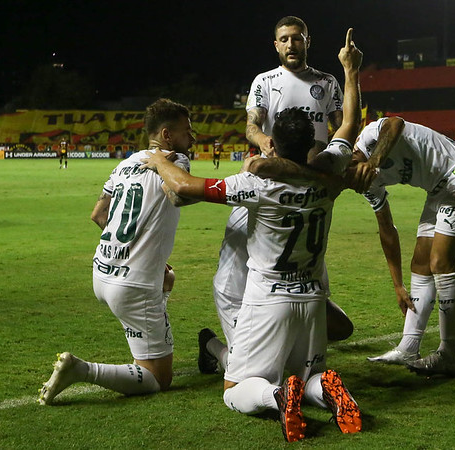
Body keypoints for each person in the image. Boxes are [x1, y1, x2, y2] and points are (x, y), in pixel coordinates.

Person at [143, 28, 364, 442]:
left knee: (235, 389)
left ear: (273, 144)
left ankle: (279, 395)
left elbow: (189, 187)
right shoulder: (330, 172)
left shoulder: (257, 186)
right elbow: (349, 124)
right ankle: (325, 390)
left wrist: (158, 160)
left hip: (269, 298)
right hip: (313, 295)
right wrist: (352, 71)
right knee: (310, 372)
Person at [200, 15, 352, 377]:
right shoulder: (264, 81)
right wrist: (261, 139)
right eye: (284, 39)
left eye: (297, 39)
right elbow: (252, 123)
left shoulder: (326, 82)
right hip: (267, 188)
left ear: (307, 41)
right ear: (276, 45)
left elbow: (342, 125)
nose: (290, 45)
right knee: (230, 277)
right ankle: (242, 350)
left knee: (308, 272)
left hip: (308, 188)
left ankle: (287, 348)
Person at [38, 99, 196, 405]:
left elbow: (99, 214)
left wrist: (133, 249)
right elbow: (178, 195)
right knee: (158, 379)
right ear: (166, 135)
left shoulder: (124, 163)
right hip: (132, 286)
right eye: (186, 131)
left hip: (102, 272)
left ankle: (155, 305)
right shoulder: (175, 160)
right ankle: (81, 370)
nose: (192, 138)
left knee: (166, 280)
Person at [348, 116, 455, 378]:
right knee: (421, 264)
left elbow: (395, 123)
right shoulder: (365, 183)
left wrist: (374, 163)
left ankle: (449, 355)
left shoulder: (370, 137)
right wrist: (397, 284)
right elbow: (387, 230)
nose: (356, 185)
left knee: (441, 263)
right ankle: (408, 347)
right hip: (439, 190)